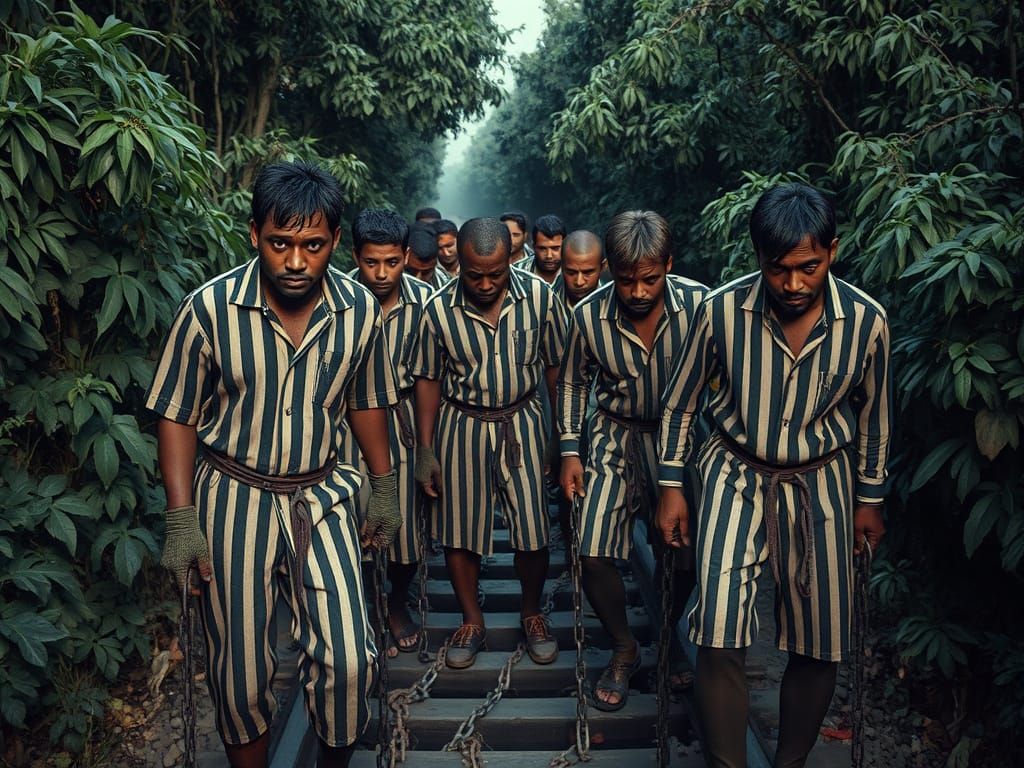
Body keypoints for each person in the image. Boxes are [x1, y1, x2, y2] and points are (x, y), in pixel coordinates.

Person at [148, 161, 401, 768]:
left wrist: (385, 484)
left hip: (323, 495)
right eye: (279, 243)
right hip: (233, 495)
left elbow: (366, 401)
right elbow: (177, 414)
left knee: (349, 658)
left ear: (335, 242)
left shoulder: (360, 311)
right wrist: (181, 519)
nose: (295, 261)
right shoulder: (208, 310)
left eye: (312, 246)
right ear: (255, 233)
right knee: (240, 675)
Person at [656, 183, 892, 768]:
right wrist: (669, 486)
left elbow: (875, 416)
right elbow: (681, 403)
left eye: (808, 267)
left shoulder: (867, 322)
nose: (793, 284)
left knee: (820, 638)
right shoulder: (719, 312)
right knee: (717, 626)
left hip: (825, 482)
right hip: (734, 471)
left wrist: (870, 499)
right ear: (758, 256)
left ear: (832, 251)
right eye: (778, 268)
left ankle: (787, 762)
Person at [558, 210, 707, 712]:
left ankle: (667, 638)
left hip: (680, 442)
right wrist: (570, 450)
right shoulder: (587, 316)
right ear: (609, 273)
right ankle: (624, 648)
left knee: (683, 555)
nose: (639, 292)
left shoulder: (702, 307)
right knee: (593, 549)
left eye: (650, 279)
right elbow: (575, 383)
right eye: (626, 281)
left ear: (669, 264)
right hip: (612, 435)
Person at [412, 217, 566, 669]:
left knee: (534, 526)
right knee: (460, 530)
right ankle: (472, 620)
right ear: (457, 260)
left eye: (494, 274)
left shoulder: (540, 298)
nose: (483, 283)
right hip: (461, 423)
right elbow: (427, 379)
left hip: (524, 420)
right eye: (473, 273)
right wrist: (425, 449)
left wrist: (562, 438)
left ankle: (532, 611)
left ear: (510, 260)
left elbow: (556, 369)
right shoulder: (437, 309)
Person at [344, 208, 434, 653]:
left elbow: (427, 379)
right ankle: (361, 609)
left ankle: (396, 603)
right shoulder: (333, 297)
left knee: (406, 529)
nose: (381, 273)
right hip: (341, 426)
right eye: (370, 262)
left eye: (392, 262)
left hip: (399, 422)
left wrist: (427, 447)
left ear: (405, 255)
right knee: (349, 519)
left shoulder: (424, 303)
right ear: (355, 255)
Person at [554, 229, 607, 310]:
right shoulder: (545, 301)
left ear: (603, 267)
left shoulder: (614, 303)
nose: (579, 282)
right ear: (561, 266)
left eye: (587, 273)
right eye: (571, 273)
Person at [515, 214, 565, 285]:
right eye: (542, 249)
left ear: (565, 246)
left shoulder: (576, 270)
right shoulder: (516, 274)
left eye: (555, 248)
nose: (549, 256)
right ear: (534, 247)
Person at [404, 221, 449, 289]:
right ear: (405, 255)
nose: (418, 279)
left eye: (425, 273)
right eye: (411, 271)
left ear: (435, 264)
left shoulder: (446, 285)